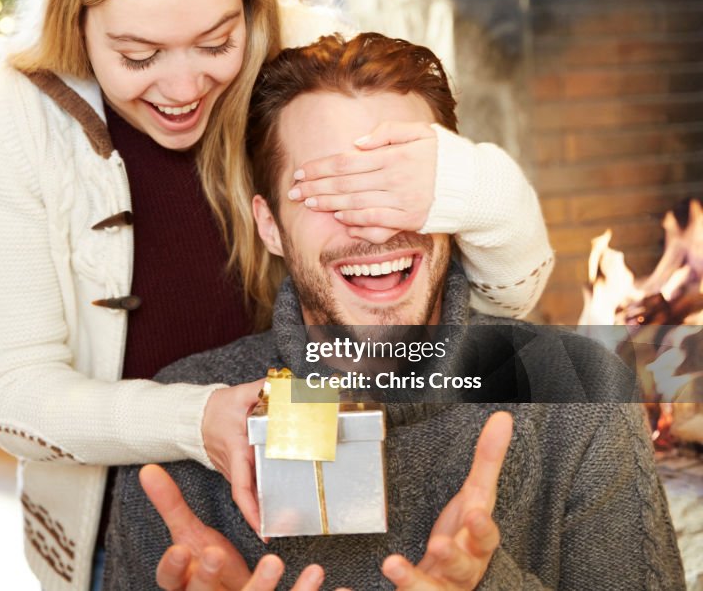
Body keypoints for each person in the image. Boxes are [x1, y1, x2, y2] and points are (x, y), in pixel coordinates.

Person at [0, 0, 556, 588]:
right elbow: (13, 395)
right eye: (138, 55)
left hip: (329, 475)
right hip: (136, 516)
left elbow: (507, 295)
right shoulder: (10, 116)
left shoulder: (313, 61)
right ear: (75, 24)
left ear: (250, 3)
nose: (182, 91)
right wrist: (198, 418)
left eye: (216, 42)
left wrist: (465, 180)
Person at [103, 33, 685, 590]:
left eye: (398, 185)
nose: (375, 224)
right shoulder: (181, 430)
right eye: (326, 190)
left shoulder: (579, 393)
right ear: (270, 225)